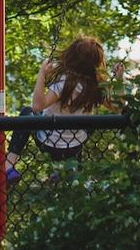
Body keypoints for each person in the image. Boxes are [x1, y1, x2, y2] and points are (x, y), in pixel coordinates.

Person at [7, 35, 108, 179]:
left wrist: (42, 73)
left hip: (49, 144)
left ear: (71, 57)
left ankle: (9, 165)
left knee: (27, 112)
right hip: (74, 147)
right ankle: (67, 170)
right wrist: (118, 81)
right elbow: (117, 108)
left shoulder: (65, 83)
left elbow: (37, 106)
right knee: (88, 122)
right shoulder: (95, 87)